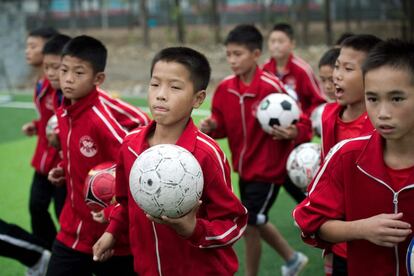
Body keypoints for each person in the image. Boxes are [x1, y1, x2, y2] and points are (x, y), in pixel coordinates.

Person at [92, 46, 248, 276]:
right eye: (155, 84)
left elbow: (234, 223)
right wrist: (112, 232)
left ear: (198, 98)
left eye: (174, 87)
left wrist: (193, 229)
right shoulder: (131, 145)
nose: (161, 94)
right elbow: (125, 202)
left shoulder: (206, 154)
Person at [294, 38, 414, 275]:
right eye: (373, 99)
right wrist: (362, 229)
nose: (383, 113)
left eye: (397, 98)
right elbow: (310, 221)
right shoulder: (345, 156)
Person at [199, 24, 311, 276]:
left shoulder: (272, 87)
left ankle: (262, 269)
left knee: (249, 222)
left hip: (269, 169)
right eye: (228, 54)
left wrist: (295, 131)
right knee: (253, 221)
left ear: (256, 54)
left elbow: (302, 121)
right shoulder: (226, 88)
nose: (232, 60)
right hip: (244, 169)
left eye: (238, 54)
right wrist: (212, 126)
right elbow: (221, 125)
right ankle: (291, 259)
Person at [46, 35, 135, 276]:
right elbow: (78, 154)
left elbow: (132, 166)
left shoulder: (100, 120)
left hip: (111, 235)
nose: (68, 79)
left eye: (78, 73)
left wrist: (113, 222)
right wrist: (64, 167)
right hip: (71, 228)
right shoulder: (64, 110)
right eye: (64, 70)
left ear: (98, 79)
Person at [317, 34, 382, 275]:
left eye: (348, 68)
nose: (337, 75)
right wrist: (329, 249)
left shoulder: (383, 125)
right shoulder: (328, 115)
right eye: (337, 66)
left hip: (381, 243)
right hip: (343, 244)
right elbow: (329, 187)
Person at [22, 27, 64, 250]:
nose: (27, 51)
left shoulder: (60, 85)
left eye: (33, 46)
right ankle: (46, 253)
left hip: (60, 164)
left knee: (62, 213)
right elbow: (49, 119)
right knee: (36, 207)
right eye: (27, 46)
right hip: (42, 160)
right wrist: (36, 126)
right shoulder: (41, 82)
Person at [262, 23, 326, 117]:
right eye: (272, 41)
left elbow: (319, 101)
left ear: (292, 44)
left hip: (300, 124)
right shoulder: (264, 69)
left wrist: (304, 120)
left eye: (280, 41)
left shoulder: (302, 70)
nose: (276, 45)